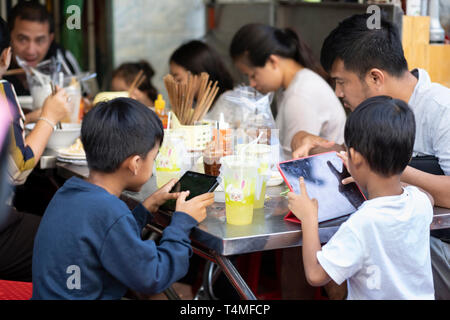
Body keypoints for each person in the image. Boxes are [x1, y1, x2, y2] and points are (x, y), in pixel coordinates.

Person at [290, 14, 450, 299]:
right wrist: (308, 141)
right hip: (414, 234)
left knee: (344, 248)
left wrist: (389, 165)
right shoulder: (377, 118)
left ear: (375, 77)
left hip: (440, 244)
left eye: (341, 82)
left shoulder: (441, 109)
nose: (338, 93)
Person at [31, 98, 215, 299]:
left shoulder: (69, 192)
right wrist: (182, 224)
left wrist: (144, 210)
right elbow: (153, 276)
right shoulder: (109, 211)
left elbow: (105, 240)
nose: (152, 165)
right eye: (153, 159)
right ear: (135, 163)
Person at [288, 96, 435, 300]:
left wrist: (309, 218)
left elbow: (315, 274)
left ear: (354, 157)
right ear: (408, 157)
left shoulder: (361, 224)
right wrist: (368, 177)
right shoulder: (419, 203)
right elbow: (428, 197)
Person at [0, 17, 70, 282]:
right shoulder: (2, 90)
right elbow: (19, 168)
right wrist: (49, 117)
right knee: (76, 242)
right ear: (7, 54)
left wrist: (27, 119)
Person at [229, 23, 346, 161]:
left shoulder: (299, 95)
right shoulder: (293, 84)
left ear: (272, 61)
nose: (252, 84)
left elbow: (292, 162)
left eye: (253, 75)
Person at [4, 0, 83, 97]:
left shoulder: (61, 57)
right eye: (22, 40)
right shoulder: (1, 63)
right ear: (9, 37)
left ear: (50, 39)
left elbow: (82, 97)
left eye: (40, 40)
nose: (31, 51)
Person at [169, 40, 235, 114]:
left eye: (178, 79)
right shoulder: (191, 105)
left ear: (201, 75)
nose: (174, 86)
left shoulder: (227, 103)